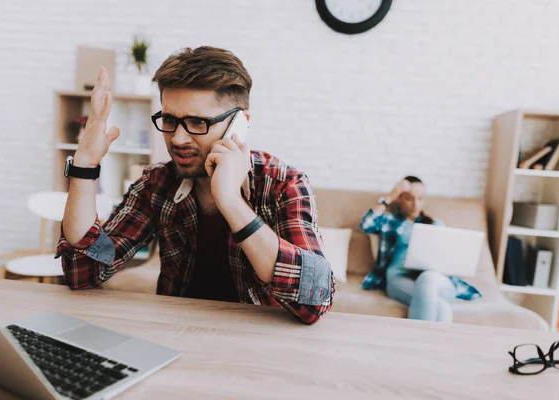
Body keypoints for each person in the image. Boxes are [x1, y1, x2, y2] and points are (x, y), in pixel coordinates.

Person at [56, 46, 334, 324]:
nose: (177, 139)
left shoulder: (284, 184)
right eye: (169, 120)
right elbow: (83, 272)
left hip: (259, 345)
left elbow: (313, 302)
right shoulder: (157, 183)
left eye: (197, 122)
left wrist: (231, 202)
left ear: (240, 124)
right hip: (175, 335)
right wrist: (85, 165)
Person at [359, 176, 480, 322]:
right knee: (442, 308)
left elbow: (447, 257)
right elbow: (366, 225)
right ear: (400, 198)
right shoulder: (389, 221)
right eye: (409, 199)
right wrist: (390, 195)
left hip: (434, 278)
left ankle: (415, 343)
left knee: (427, 278)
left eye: (420, 198)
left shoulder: (435, 224)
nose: (416, 205)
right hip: (398, 277)